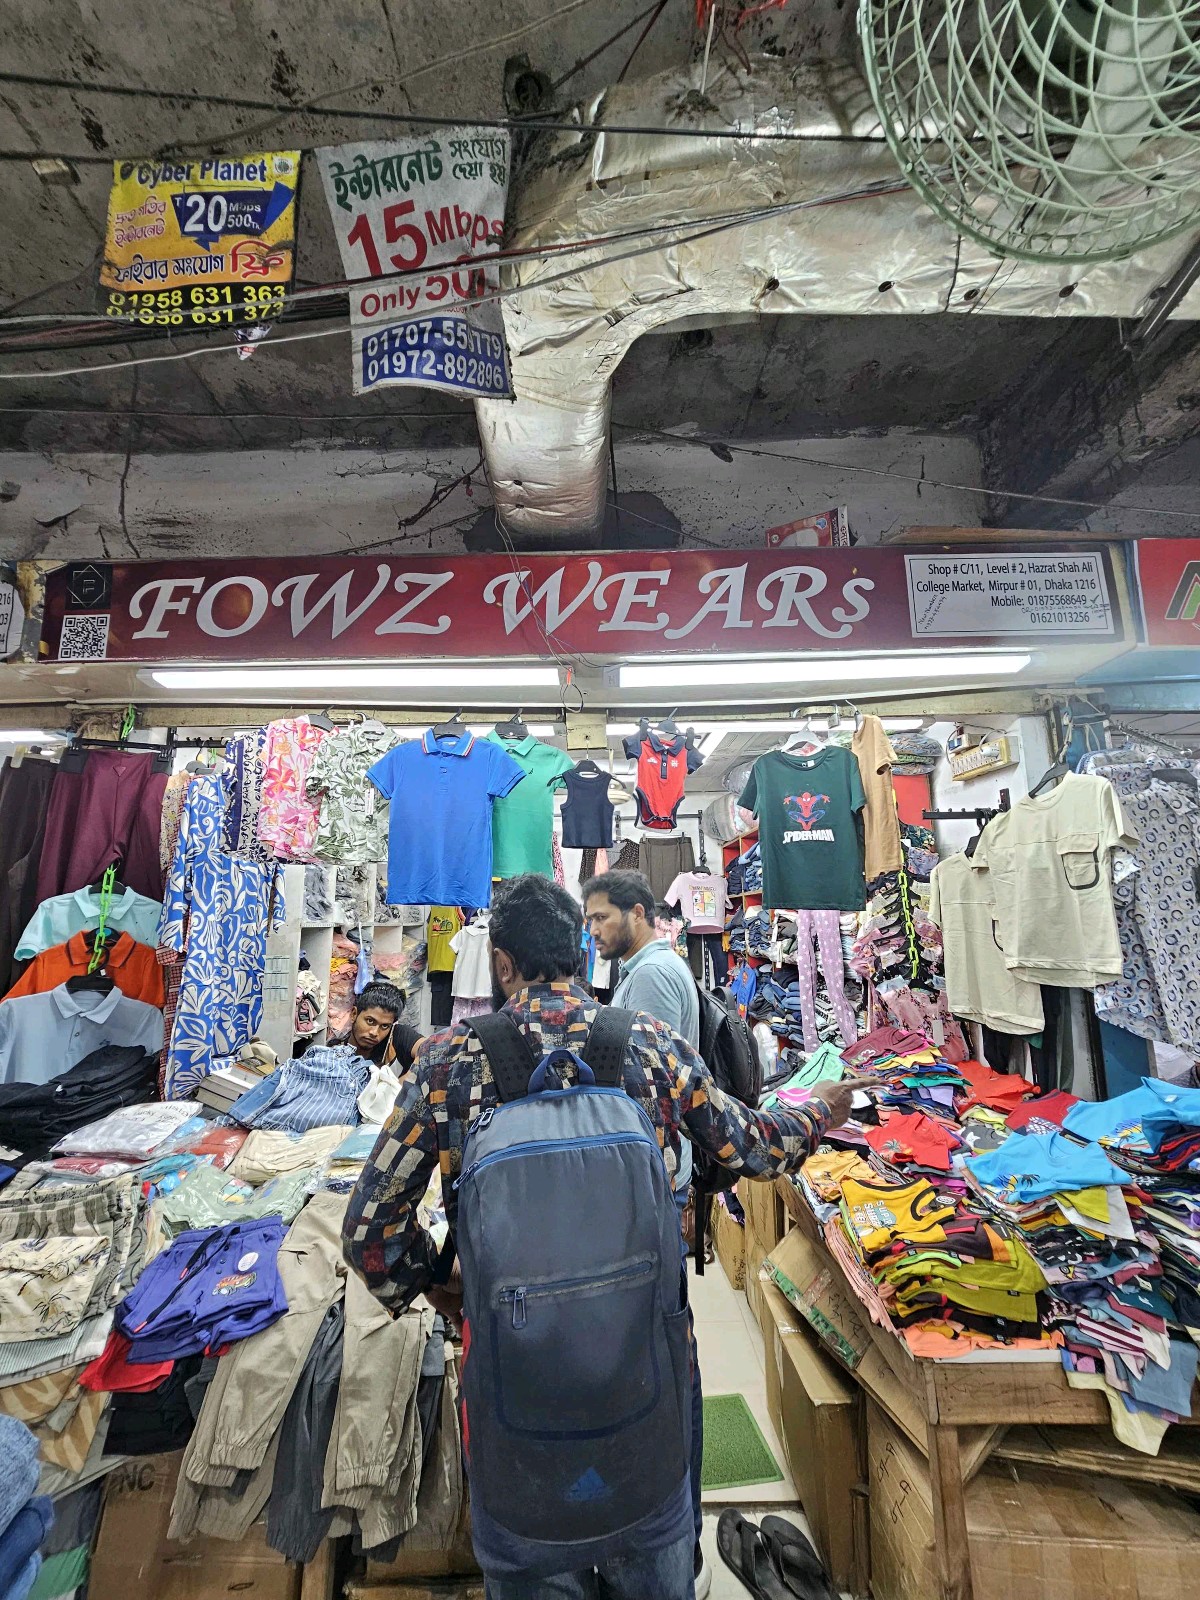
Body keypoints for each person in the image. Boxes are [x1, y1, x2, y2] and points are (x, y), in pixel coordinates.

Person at [344, 876, 866, 1600]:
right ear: (580, 952)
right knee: (653, 1559)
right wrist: (818, 1112)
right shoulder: (648, 1044)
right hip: (644, 1370)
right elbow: (751, 1147)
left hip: (515, 1386)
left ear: (503, 964)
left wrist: (440, 1287)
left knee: (535, 1566)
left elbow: (368, 1233)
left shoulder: (446, 1061)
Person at [582, 869, 708, 1595]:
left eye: (603, 918)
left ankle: (674, 1546)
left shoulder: (654, 976)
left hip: (657, 1177)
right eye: (588, 921)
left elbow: (652, 1090)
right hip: (654, 1173)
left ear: (638, 912)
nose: (594, 931)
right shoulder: (643, 971)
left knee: (664, 1355)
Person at [334, 980, 420, 1066]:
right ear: (354, 1014)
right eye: (370, 1021)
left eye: (385, 1026)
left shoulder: (397, 1038)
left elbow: (428, 1050)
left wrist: (409, 1074)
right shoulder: (333, 1056)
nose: (374, 1033)